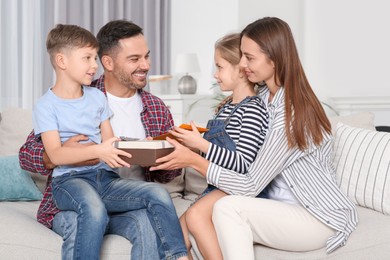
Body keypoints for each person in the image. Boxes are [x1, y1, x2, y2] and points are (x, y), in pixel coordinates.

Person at [150, 16, 358, 259]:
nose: (243, 64)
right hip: (276, 207)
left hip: (316, 214)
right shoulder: (263, 101)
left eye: (249, 58)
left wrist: (193, 160)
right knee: (188, 225)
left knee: (229, 208)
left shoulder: (290, 113)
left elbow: (250, 185)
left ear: (274, 57)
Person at [19, 20, 185, 260]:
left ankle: (179, 256)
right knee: (88, 214)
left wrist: (159, 155)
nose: (146, 65)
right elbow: (28, 155)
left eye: (147, 57)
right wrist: (74, 154)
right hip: (76, 188)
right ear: (108, 62)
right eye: (135, 59)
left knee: (149, 214)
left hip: (117, 191)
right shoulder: (77, 92)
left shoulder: (155, 108)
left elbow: (163, 172)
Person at [169, 33, 268, 259]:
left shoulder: (252, 109)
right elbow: (217, 154)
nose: (215, 74)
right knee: (176, 236)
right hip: (217, 187)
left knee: (194, 217)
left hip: (237, 187)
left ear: (241, 69)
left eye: (219, 67)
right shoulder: (225, 108)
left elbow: (243, 163)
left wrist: (202, 145)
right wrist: (193, 143)